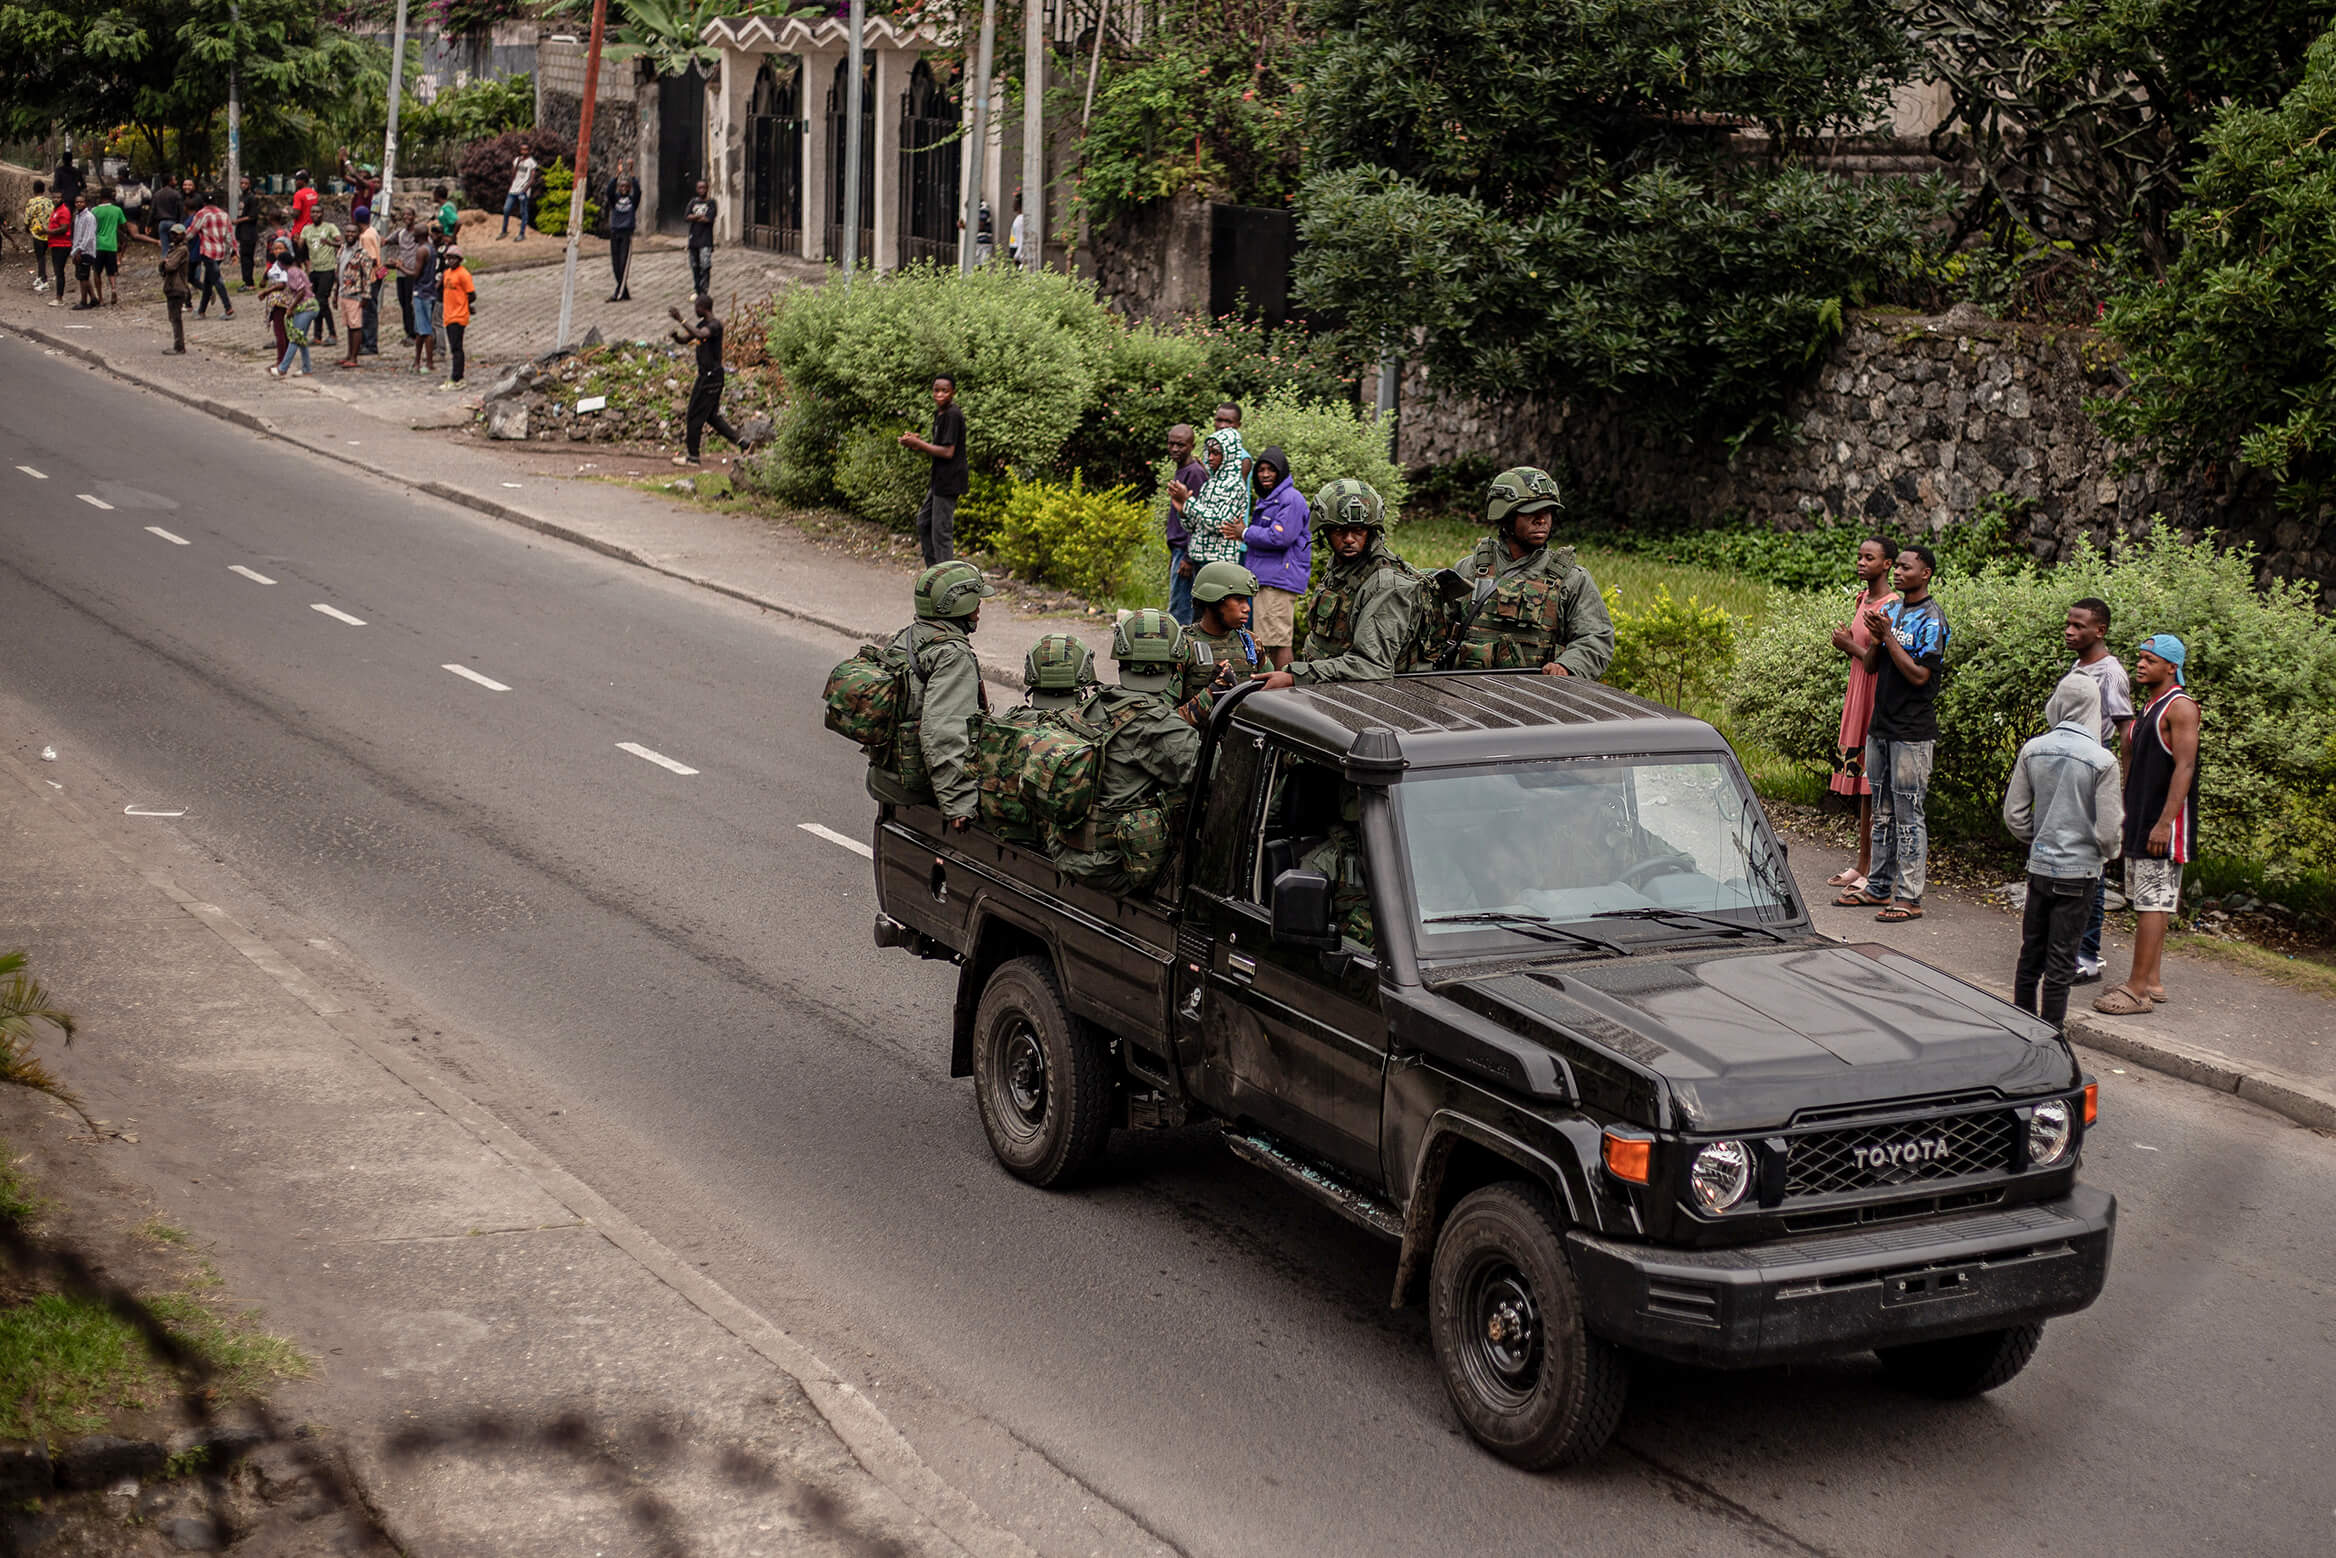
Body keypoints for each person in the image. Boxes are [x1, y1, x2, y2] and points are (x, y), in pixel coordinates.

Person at [1051, 610, 1204, 894]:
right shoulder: (1160, 725)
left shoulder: (1096, 703)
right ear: (1175, 663)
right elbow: (1216, 777)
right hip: (1110, 865)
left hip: (1064, 849)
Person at [2004, 674, 2124, 1029]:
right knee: (2061, 961)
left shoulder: (2033, 749)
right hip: (2080, 873)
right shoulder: (2103, 761)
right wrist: (2106, 854)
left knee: (2031, 955)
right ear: (2092, 707)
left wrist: (2039, 838)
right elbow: (2107, 830)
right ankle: (2051, 1033)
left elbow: (2014, 815)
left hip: (2040, 867)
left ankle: (2022, 1027)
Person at [1839, 544, 1949, 923]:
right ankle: (1879, 887)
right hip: (1881, 727)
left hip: (1911, 732)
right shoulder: (1889, 610)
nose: (1899, 573)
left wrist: (1888, 637)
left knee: (1908, 814)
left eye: (1906, 567)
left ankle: (1909, 896)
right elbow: (1871, 664)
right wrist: (1870, 639)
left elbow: (1921, 676)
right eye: (1897, 567)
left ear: (1926, 574)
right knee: (1882, 813)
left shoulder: (1932, 620)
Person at [2094, 635, 2200, 1017]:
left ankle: (2137, 989)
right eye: (2139, 657)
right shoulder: (2152, 705)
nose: (2140, 664)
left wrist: (2165, 822)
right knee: (2146, 899)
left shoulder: (2181, 707)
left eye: (2149, 659)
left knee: (2153, 902)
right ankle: (2151, 981)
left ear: (2171, 666)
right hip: (2141, 817)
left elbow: (2185, 766)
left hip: (2162, 821)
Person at [1444, 467, 1614, 678]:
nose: (1542, 520)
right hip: (1468, 694)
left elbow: (1597, 638)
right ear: (1506, 518)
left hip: (1538, 698)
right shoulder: (1469, 569)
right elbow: (1437, 633)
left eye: (1548, 512)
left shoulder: (1572, 579)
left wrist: (1567, 666)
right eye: (1531, 512)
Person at [1254, 479, 1423, 688]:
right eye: (1339, 531)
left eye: (1358, 530)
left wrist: (1297, 676)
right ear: (1325, 531)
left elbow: (1373, 665)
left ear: (1371, 532)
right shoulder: (1343, 566)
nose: (1349, 539)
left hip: (1369, 698)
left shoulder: (1386, 584)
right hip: (1332, 689)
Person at [867, 559, 996, 830]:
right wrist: (958, 802)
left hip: (886, 776)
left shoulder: (910, 636)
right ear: (956, 605)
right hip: (916, 787)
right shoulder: (952, 655)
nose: (980, 608)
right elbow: (944, 730)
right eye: (975, 602)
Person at [2063, 596, 2135, 983]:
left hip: (2095, 769)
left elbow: (2125, 728)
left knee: (2091, 865)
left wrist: (2123, 782)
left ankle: (2087, 953)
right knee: (2071, 861)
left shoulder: (2110, 673)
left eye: (2079, 626)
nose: (2070, 632)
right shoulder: (2079, 666)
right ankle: (2067, 946)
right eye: (2068, 625)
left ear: (2100, 630)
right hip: (2070, 770)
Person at [1825, 536, 1900, 894]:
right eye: (1859, 557)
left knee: (1874, 785)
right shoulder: (1862, 600)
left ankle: (1875, 868)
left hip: (1875, 695)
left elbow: (1875, 660)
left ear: (1887, 564)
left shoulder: (1891, 605)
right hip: (1858, 692)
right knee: (1862, 789)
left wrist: (1846, 645)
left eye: (1869, 558)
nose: (1861, 563)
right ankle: (1862, 862)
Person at [1242, 446, 1312, 672]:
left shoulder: (1290, 498)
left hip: (1278, 579)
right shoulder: (1272, 499)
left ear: (1281, 471)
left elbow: (1280, 536)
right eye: (1260, 469)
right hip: (1270, 578)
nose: (1264, 475)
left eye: (1270, 469)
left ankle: (1284, 693)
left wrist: (1244, 532)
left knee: (1278, 641)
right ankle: (1277, 690)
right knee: (1270, 639)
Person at [668, 295, 747, 465]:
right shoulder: (702, 324)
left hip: (711, 378)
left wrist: (680, 318)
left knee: (694, 415)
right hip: (708, 376)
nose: (694, 310)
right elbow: (687, 338)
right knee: (711, 417)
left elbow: (700, 335)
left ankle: (693, 457)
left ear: (703, 307)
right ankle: (743, 443)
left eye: (696, 306)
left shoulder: (714, 326)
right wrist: (676, 337)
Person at [899, 375, 968, 564]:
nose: (939, 394)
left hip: (950, 481)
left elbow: (947, 452)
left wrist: (919, 443)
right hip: (939, 480)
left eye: (944, 391)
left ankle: (947, 582)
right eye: (936, 390)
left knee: (941, 533)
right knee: (924, 523)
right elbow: (938, 447)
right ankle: (933, 573)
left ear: (953, 393)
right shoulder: (940, 414)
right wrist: (914, 443)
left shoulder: (953, 414)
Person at [1177, 562, 1264, 707]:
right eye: (1238, 600)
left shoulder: (1250, 642)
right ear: (1214, 600)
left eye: (1247, 600)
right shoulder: (1183, 646)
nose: (1247, 608)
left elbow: (1269, 693)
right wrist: (1212, 693)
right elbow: (1167, 718)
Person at [1180, 427, 1253, 573]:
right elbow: (1195, 526)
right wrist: (1182, 511)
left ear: (1229, 455)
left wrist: (1189, 503)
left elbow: (1221, 524)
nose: (1210, 458)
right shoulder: (1209, 484)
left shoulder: (1235, 486)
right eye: (1208, 452)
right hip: (1199, 560)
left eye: (1216, 453)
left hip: (1220, 563)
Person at [1162, 423, 1207, 625]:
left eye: (1180, 445)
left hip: (1187, 551)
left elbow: (1197, 517)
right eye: (1171, 444)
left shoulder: (1195, 473)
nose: (1174, 449)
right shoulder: (1181, 470)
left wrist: (1188, 557)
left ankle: (1182, 655)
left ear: (1191, 445)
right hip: (1178, 550)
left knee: (1181, 614)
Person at [186, 193, 234, 318]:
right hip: (220, 252)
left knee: (217, 280)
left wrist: (178, 239)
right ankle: (201, 310)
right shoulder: (224, 215)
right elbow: (229, 236)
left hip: (208, 251)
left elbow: (191, 232)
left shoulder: (202, 214)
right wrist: (235, 250)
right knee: (208, 281)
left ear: (203, 203)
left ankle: (228, 308)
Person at [270, 258, 318, 378]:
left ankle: (282, 368)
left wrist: (291, 307)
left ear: (281, 263)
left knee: (295, 338)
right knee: (301, 339)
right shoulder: (297, 270)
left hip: (306, 308)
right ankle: (306, 368)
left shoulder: (291, 272)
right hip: (310, 306)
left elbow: (301, 291)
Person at [407, 219, 441, 376]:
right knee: (420, 330)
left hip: (422, 293)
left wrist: (398, 267)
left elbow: (415, 274)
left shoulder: (422, 251)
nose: (412, 236)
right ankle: (417, 360)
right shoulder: (431, 248)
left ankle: (429, 363)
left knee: (426, 330)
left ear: (419, 236)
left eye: (414, 234)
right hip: (428, 292)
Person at [304, 208, 342, 345]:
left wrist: (330, 243)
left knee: (322, 301)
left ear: (323, 214)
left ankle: (333, 333)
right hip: (314, 270)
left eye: (318, 212)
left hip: (328, 269)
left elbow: (341, 243)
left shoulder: (330, 227)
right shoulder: (306, 230)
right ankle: (317, 336)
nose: (315, 214)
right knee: (315, 303)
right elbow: (301, 248)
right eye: (313, 212)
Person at [438, 246, 474, 388]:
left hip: (458, 315)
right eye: (449, 258)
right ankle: (456, 376)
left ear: (459, 260)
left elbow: (471, 294)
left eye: (454, 258)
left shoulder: (463, 275)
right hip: (448, 314)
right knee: (453, 347)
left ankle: (457, 377)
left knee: (456, 348)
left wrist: (464, 305)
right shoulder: (447, 273)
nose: (451, 261)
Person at [351, 208, 384, 355]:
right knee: (368, 310)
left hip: (369, 277)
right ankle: (367, 342)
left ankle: (370, 344)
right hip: (375, 275)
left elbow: (370, 258)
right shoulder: (372, 231)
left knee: (369, 311)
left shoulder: (366, 237)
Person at [157, 222, 192, 353]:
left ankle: (179, 346)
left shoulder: (181, 250)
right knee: (173, 317)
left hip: (177, 287)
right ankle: (178, 345)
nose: (174, 237)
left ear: (183, 235)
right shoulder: (175, 248)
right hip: (173, 286)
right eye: (172, 234)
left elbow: (170, 266)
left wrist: (163, 263)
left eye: (177, 234)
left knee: (175, 318)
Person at [334, 233, 368, 368]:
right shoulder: (341, 249)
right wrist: (335, 293)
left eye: (353, 232)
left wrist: (365, 295)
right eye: (347, 232)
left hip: (355, 293)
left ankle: (354, 358)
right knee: (349, 326)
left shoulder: (362, 253)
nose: (350, 235)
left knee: (356, 326)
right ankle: (348, 355)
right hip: (343, 292)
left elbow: (366, 275)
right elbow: (338, 273)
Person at [605, 173, 639, 300]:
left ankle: (618, 294)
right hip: (615, 233)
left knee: (623, 265)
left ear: (629, 188)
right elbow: (609, 191)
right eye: (621, 186)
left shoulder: (632, 201)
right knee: (615, 265)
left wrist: (632, 175)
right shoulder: (615, 199)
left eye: (626, 186)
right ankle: (624, 291)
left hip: (626, 234)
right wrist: (616, 176)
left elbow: (639, 191)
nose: (624, 188)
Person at [388, 214, 420, 344]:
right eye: (404, 214)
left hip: (412, 273)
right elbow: (386, 241)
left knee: (410, 303)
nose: (406, 217)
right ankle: (408, 332)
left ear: (414, 217)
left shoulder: (419, 233)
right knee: (403, 303)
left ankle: (414, 333)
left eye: (409, 214)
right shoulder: (400, 233)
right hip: (400, 272)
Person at [684, 178, 716, 296]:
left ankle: (704, 290)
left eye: (704, 187)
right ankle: (697, 289)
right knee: (695, 266)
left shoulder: (711, 203)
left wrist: (695, 216)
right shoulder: (693, 202)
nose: (702, 190)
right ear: (696, 189)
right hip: (694, 239)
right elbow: (686, 216)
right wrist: (699, 217)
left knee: (705, 265)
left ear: (707, 189)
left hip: (706, 239)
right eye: (699, 187)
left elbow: (708, 219)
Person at [499, 145, 539, 239]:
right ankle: (504, 231)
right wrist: (517, 164)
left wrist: (524, 190)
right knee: (506, 209)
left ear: (529, 151)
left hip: (523, 190)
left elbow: (532, 179)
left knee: (523, 212)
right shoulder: (517, 160)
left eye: (526, 150)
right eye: (522, 150)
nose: (524, 151)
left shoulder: (532, 162)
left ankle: (522, 234)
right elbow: (513, 175)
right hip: (513, 189)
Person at [23, 180, 53, 295]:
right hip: (49, 232)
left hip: (37, 233)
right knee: (43, 256)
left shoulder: (32, 202)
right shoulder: (49, 202)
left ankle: (44, 281)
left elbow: (27, 217)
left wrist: (26, 227)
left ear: (34, 190)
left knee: (40, 257)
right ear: (44, 189)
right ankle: (40, 277)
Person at [42, 192, 72, 306]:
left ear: (62, 198)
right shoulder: (56, 210)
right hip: (55, 244)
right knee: (57, 271)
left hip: (62, 244)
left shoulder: (63, 211)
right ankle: (58, 297)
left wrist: (47, 231)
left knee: (59, 271)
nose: (56, 199)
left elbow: (64, 228)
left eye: (58, 197)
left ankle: (59, 298)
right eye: (54, 197)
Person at [234, 178, 260, 289]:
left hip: (249, 233)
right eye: (241, 183)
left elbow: (253, 216)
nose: (243, 185)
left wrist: (238, 221)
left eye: (245, 183)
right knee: (244, 258)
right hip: (242, 232)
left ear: (249, 184)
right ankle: (247, 281)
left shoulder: (252, 198)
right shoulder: (242, 197)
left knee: (247, 258)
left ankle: (249, 283)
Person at [290, 170, 318, 241]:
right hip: (312, 230)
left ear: (302, 181)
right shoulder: (314, 193)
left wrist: (288, 211)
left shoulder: (299, 194)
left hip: (300, 231)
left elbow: (296, 214)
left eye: (296, 180)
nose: (295, 182)